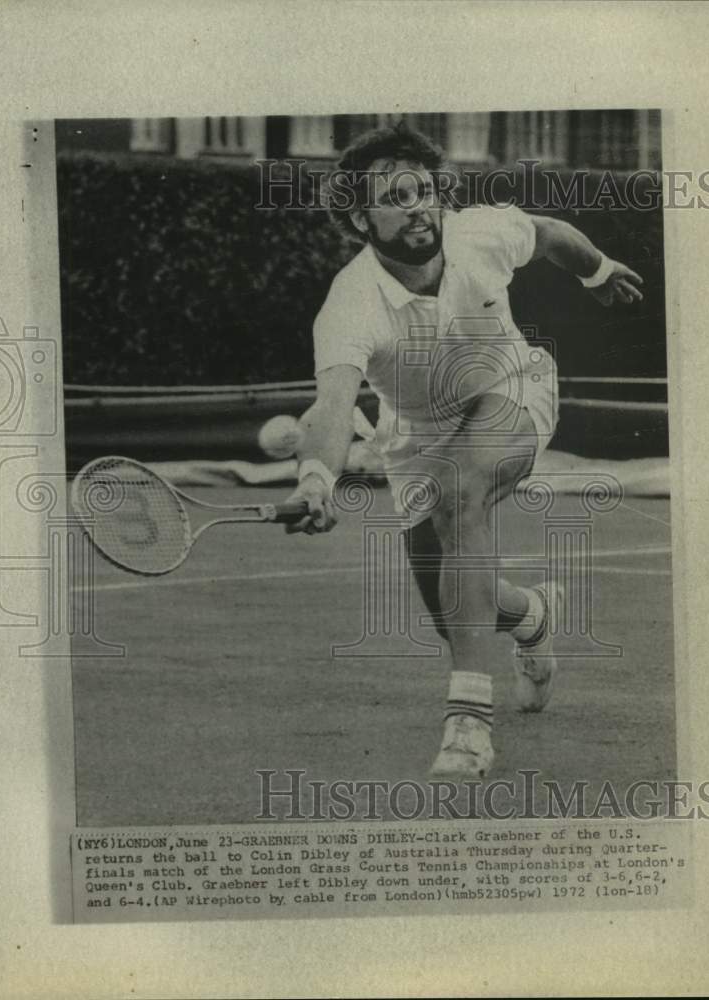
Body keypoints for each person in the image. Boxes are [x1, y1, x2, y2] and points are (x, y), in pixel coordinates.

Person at [285, 123, 643, 780]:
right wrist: (315, 477)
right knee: (453, 612)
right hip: (417, 434)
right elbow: (333, 405)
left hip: (513, 390)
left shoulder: (479, 233)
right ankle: (532, 615)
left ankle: (469, 723)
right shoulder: (351, 301)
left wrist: (597, 272)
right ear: (360, 215)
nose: (418, 206)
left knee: (462, 489)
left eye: (423, 190)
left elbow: (554, 236)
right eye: (396, 196)